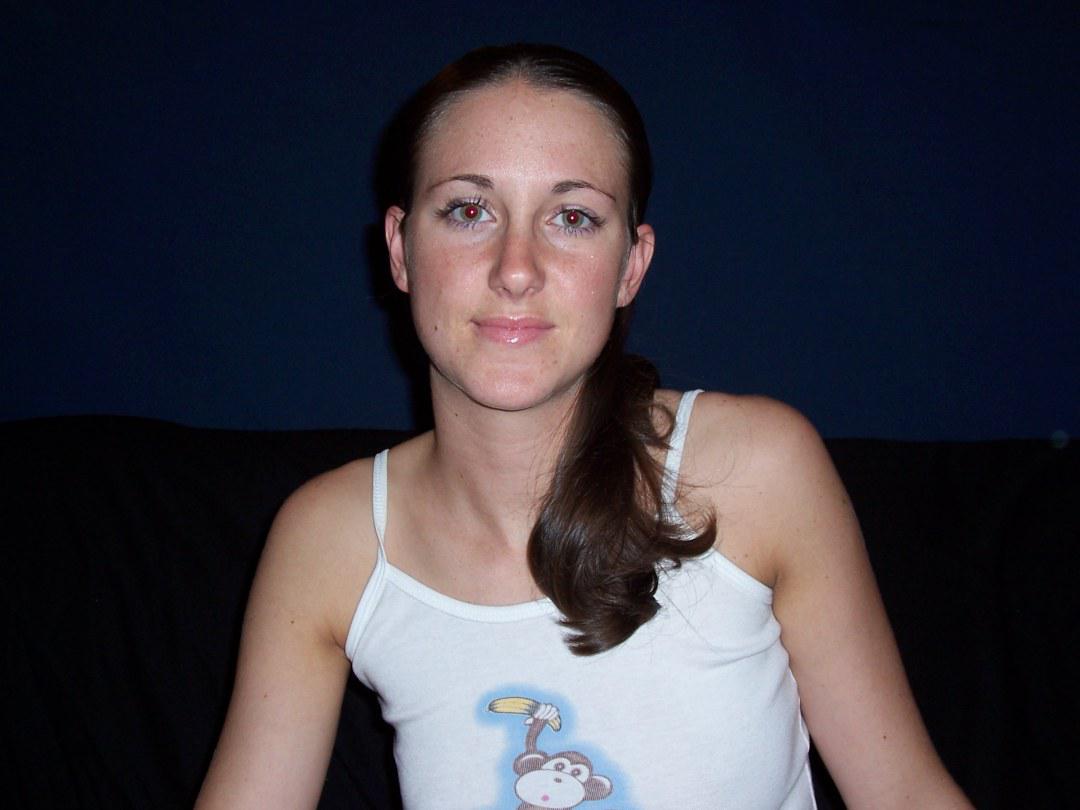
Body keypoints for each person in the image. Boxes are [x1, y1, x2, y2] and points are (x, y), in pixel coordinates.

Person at [197, 44, 971, 809]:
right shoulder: (330, 543)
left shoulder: (757, 470)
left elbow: (904, 792)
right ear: (400, 250)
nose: (516, 267)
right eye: (469, 210)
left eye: (572, 218)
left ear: (631, 265)